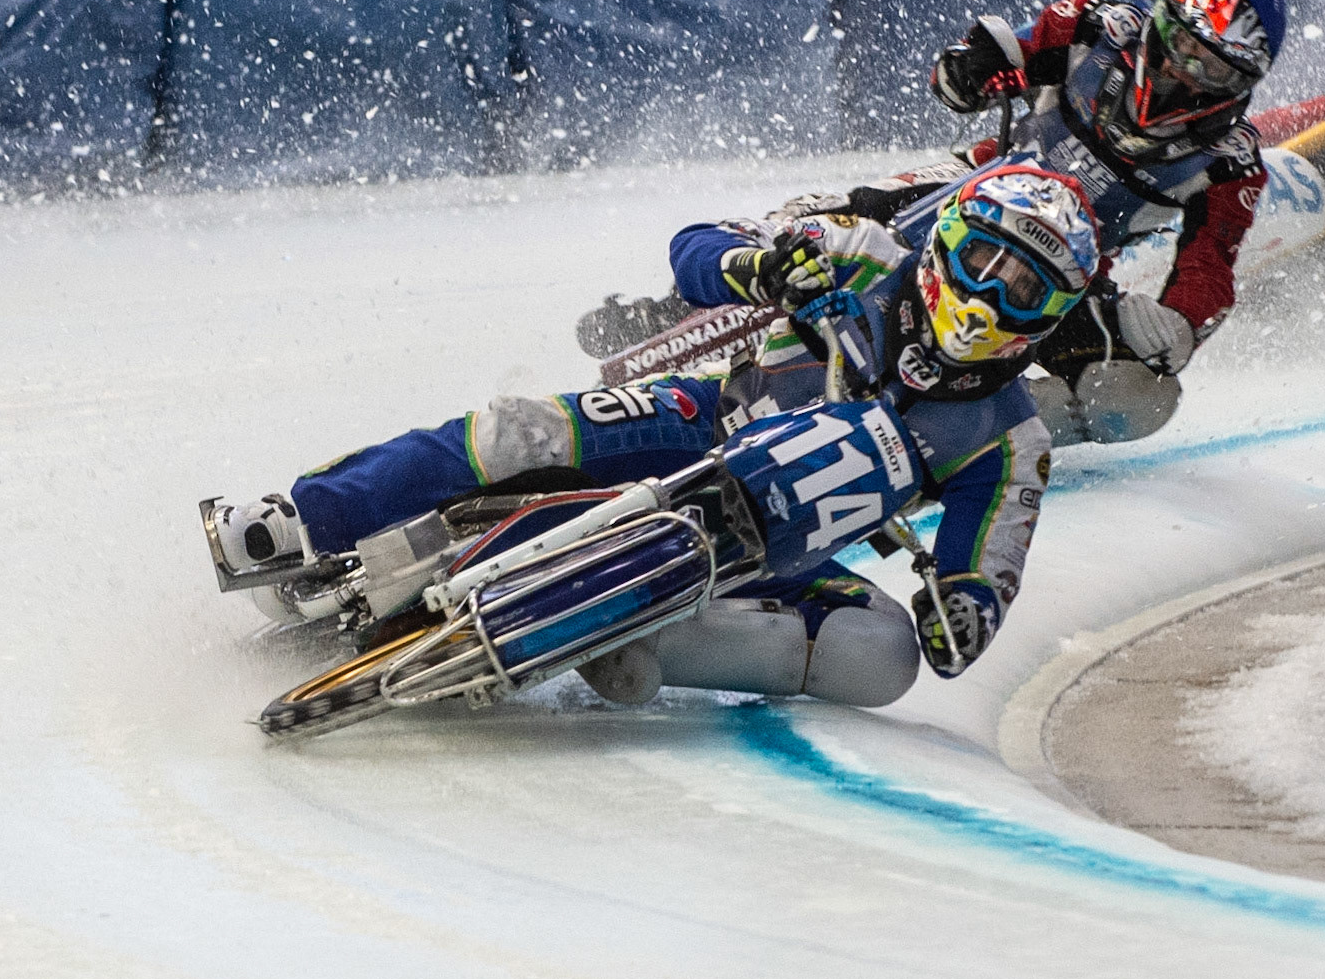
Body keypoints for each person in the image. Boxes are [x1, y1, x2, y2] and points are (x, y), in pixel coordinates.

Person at [210, 165, 1100, 707]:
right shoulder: (864, 248)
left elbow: (987, 563)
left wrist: (962, 613)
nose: (988, 294)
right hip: (701, 420)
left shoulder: (1012, 439)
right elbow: (695, 243)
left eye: (1024, 288)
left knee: (885, 657)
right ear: (944, 240)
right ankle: (304, 517)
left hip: (781, 551)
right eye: (982, 258)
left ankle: (631, 640)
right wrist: (755, 266)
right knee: (518, 427)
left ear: (1050, 318)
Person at [811, 0, 1288, 445]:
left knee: (1137, 394)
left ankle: (964, 438)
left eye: (1210, 68)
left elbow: (1210, 269)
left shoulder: (1230, 163)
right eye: (1183, 43)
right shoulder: (1094, 24)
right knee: (823, 222)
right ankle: (750, 282)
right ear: (1161, 19)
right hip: (977, 184)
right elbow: (994, 58)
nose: (1180, 69)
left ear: (1241, 85)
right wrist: (968, 71)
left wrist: (1181, 326)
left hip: (1062, 280)